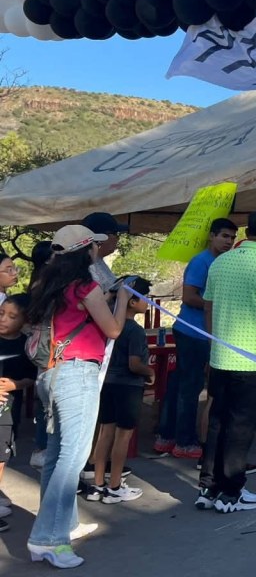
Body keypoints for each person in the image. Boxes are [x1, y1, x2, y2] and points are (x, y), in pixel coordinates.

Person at [27, 225, 131, 569]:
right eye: (95, 247)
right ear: (86, 250)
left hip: (50, 374)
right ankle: (49, 539)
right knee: (71, 458)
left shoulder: (47, 285)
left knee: (58, 455)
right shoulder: (86, 287)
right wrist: (125, 301)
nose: (98, 252)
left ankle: (63, 526)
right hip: (76, 374)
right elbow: (113, 329)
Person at [197, 210, 256, 515]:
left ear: (248, 231)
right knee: (241, 425)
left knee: (218, 421)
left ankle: (209, 485)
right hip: (252, 358)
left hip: (221, 354)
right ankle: (232, 490)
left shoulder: (220, 262)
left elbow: (208, 307)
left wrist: (213, 345)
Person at [155, 218, 236, 459]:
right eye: (224, 236)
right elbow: (189, 296)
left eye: (232, 237)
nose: (228, 241)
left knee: (180, 384)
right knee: (190, 388)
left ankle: (166, 437)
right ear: (211, 236)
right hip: (193, 331)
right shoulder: (202, 262)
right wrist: (217, 306)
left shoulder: (220, 262)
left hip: (199, 331)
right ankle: (185, 441)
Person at [85, 278, 155, 505]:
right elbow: (134, 363)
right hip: (128, 386)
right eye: (144, 298)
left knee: (105, 432)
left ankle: (97, 484)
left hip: (107, 383)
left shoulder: (107, 325)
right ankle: (115, 485)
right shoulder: (134, 330)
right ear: (132, 301)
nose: (148, 302)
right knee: (123, 436)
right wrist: (149, 371)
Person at [0, 294, 36, 533]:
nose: (3, 319)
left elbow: (31, 378)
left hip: (7, 412)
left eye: (12, 316)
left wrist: (15, 385)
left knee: (2, 457)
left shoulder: (27, 345)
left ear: (24, 320)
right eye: (1, 313)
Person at [28, 241, 52, 470]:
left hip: (42, 344)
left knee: (44, 398)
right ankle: (42, 448)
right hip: (46, 346)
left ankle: (42, 447)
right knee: (46, 401)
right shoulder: (44, 285)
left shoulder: (38, 282)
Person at [81, 212, 128, 294]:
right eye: (116, 234)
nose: (118, 239)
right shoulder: (88, 267)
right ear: (102, 237)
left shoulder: (98, 261)